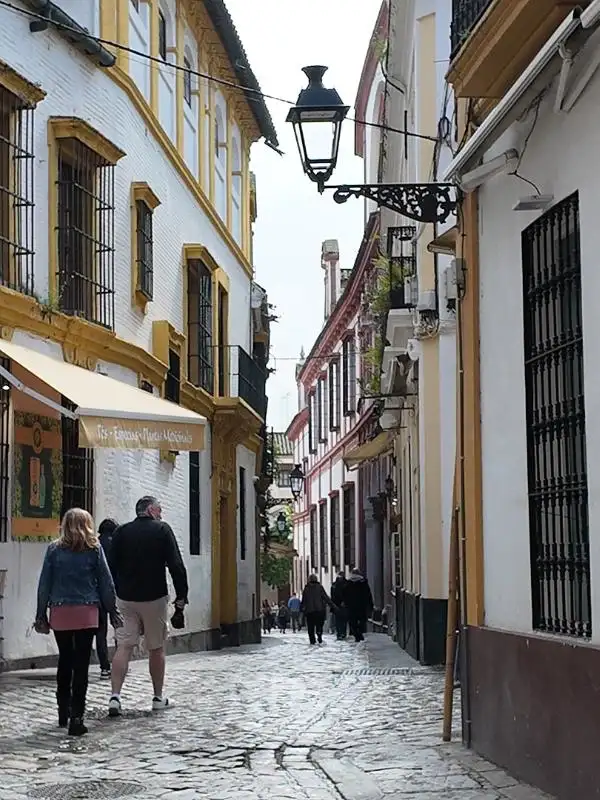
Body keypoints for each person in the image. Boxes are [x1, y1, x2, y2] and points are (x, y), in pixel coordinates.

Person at [35, 508, 121, 736]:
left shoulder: (54, 550)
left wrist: (41, 614)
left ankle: (62, 710)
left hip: (61, 611)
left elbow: (44, 583)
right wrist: (112, 611)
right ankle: (77, 717)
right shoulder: (94, 549)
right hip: (87, 610)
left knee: (65, 659)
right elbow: (106, 582)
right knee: (82, 664)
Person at [107, 496, 188, 717]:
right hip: (154, 597)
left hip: (125, 598)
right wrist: (181, 595)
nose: (161, 514)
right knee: (156, 648)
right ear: (151, 510)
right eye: (159, 510)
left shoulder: (121, 532)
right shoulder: (162, 530)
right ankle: (157, 697)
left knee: (123, 646)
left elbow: (110, 566)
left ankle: (115, 696)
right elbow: (176, 565)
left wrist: (112, 594)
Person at [95, 517, 119, 679]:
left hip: (97, 593)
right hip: (117, 591)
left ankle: (105, 666)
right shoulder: (119, 544)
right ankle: (119, 662)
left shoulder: (95, 545)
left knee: (100, 632)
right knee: (120, 628)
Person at [301, 574, 333, 645]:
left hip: (310, 611)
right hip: (319, 610)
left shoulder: (306, 588)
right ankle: (319, 635)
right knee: (319, 625)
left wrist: (302, 609)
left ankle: (312, 640)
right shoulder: (320, 587)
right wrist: (333, 606)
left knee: (310, 627)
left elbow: (304, 601)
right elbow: (326, 597)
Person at [345, 568, 374, 642]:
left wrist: (345, 603)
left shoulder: (348, 583)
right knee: (362, 620)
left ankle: (357, 635)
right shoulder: (363, 582)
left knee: (352, 622)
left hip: (351, 606)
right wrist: (371, 605)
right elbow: (368, 594)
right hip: (362, 605)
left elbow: (344, 595)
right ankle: (360, 633)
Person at [330, 571, 348, 640]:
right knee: (343, 619)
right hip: (343, 604)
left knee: (339, 620)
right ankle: (342, 633)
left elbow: (332, 596)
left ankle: (340, 633)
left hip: (337, 605)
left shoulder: (334, 585)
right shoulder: (346, 583)